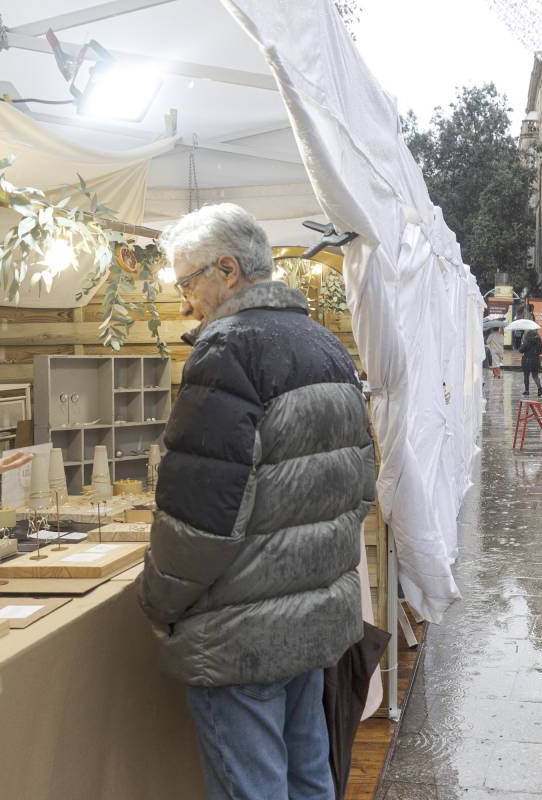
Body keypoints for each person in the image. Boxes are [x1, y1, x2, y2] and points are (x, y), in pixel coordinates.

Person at [135, 203, 376, 800]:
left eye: (185, 282)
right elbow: (358, 483)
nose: (184, 301)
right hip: (311, 618)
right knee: (310, 780)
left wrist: (159, 603)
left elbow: (199, 522)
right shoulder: (326, 347)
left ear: (226, 269)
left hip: (239, 634)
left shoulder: (226, 352)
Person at [519, 325, 542, 396]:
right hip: (536, 360)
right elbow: (540, 351)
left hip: (527, 361)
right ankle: (539, 388)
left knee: (526, 375)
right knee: (535, 375)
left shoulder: (527, 341)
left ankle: (527, 390)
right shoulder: (539, 340)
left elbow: (521, 350)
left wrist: (522, 344)